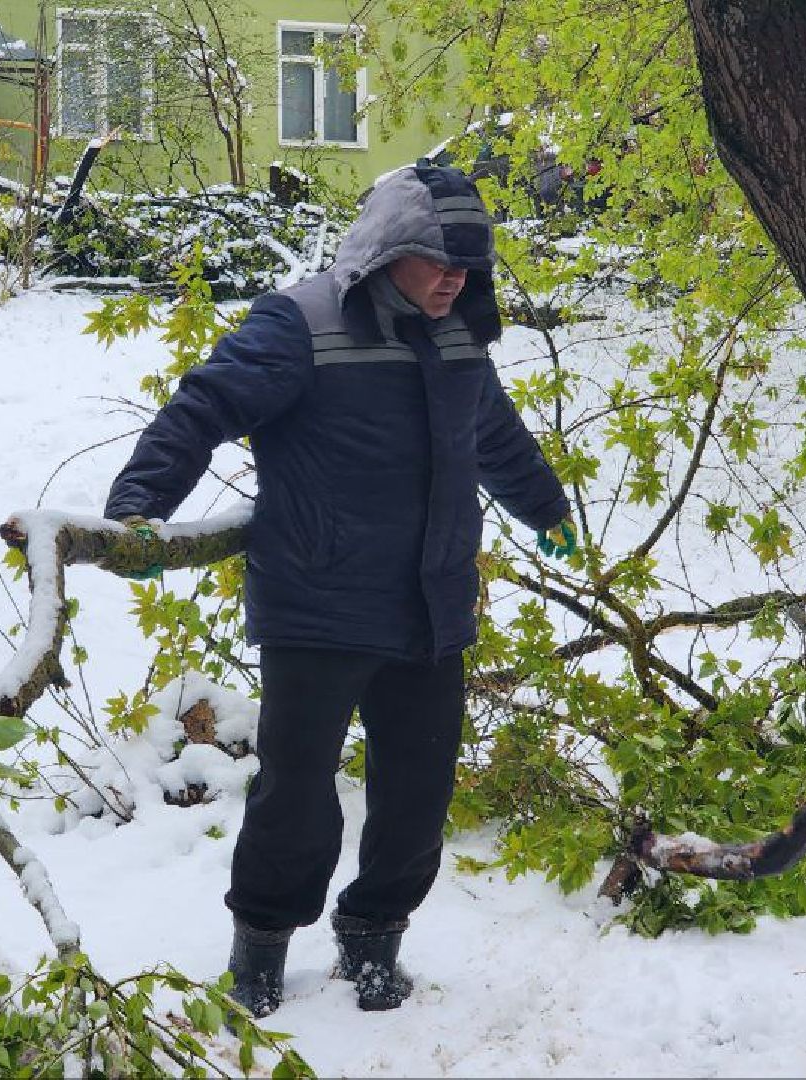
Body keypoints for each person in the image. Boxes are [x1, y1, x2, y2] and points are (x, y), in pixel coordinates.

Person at [102, 163, 576, 1017]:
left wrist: (542, 505)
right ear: (389, 251)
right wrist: (138, 511)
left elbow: (491, 432)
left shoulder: (460, 329)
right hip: (317, 604)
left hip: (430, 606)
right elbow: (200, 410)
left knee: (417, 795)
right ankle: (261, 949)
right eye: (437, 261)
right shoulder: (301, 323)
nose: (452, 279)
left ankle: (373, 935)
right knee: (296, 794)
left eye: (467, 267)